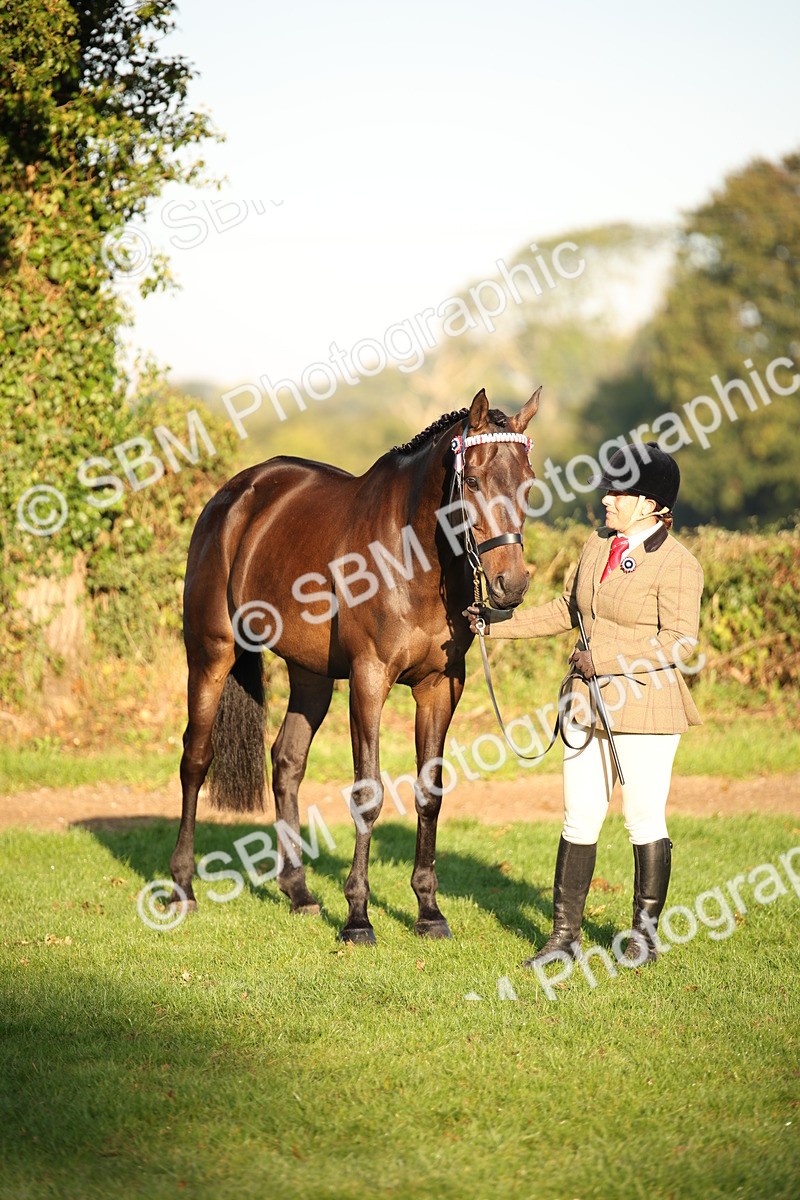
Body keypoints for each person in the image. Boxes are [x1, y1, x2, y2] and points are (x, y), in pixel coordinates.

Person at [465, 442, 704, 967]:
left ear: (651, 504)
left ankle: (643, 937)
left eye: (618, 492)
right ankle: (563, 938)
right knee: (578, 819)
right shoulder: (597, 545)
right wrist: (494, 624)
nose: (606, 499)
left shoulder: (679, 564)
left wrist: (611, 658)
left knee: (643, 819)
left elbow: (681, 641)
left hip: (646, 706)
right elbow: (565, 610)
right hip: (586, 703)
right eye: (607, 489)